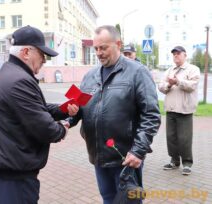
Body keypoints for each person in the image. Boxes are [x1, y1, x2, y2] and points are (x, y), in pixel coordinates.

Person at [0, 25, 78, 204]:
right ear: (26, 52)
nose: (44, 59)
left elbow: (34, 108)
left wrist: (63, 109)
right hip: (14, 178)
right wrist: (65, 126)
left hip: (7, 170)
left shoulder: (11, 72)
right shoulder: (19, 81)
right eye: (41, 54)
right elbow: (46, 129)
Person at [68, 25, 161, 203]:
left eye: (103, 47)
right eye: (96, 48)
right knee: (108, 199)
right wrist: (67, 119)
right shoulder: (89, 75)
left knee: (129, 201)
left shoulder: (138, 72)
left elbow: (151, 115)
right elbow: (77, 106)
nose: (99, 53)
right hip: (98, 155)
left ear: (118, 44)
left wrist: (138, 151)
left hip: (126, 157)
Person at [158, 45, 200, 176]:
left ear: (185, 55)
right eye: (174, 54)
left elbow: (192, 86)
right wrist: (169, 84)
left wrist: (177, 81)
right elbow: (161, 86)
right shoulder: (169, 70)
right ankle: (174, 161)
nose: (176, 55)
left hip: (185, 110)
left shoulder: (192, 69)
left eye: (178, 53)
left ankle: (187, 163)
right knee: (171, 138)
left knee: (184, 138)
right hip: (170, 110)